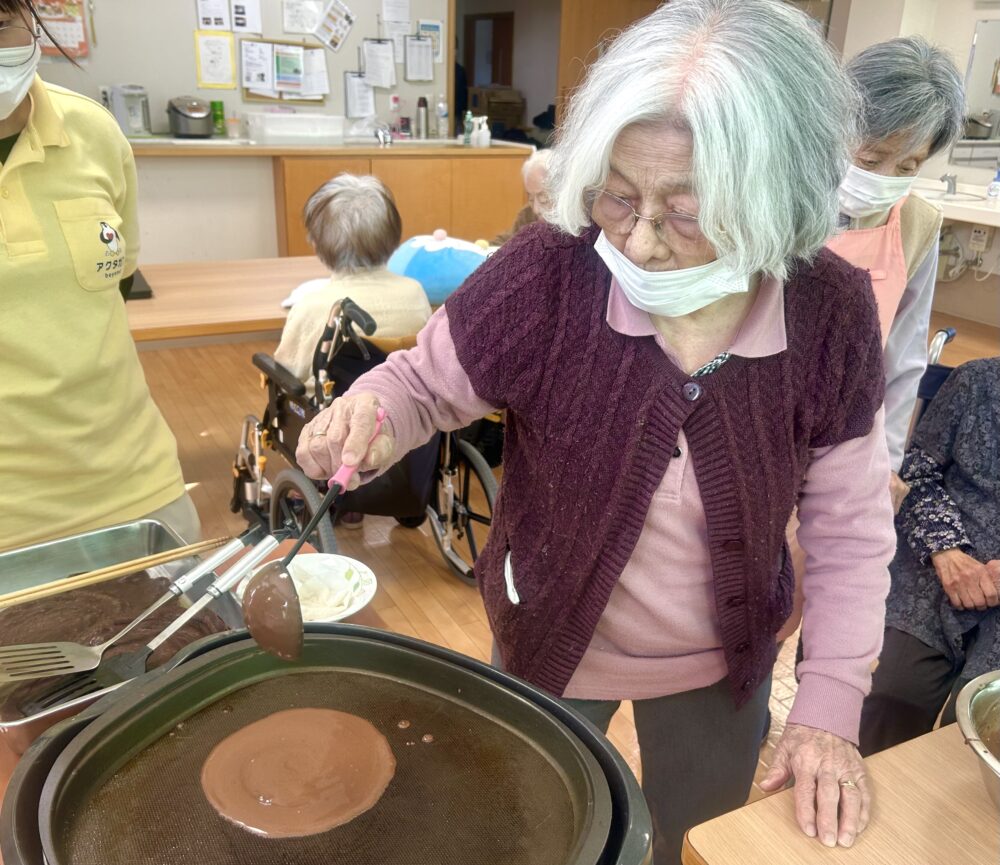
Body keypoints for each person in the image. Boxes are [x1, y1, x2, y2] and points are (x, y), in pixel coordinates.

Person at [298, 2, 894, 861]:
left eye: (685, 213)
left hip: (720, 666)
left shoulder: (829, 311)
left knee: (695, 840)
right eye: (620, 194)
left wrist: (830, 705)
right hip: (549, 638)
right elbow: (423, 383)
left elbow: (850, 527)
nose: (641, 241)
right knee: (525, 827)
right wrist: (375, 410)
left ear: (776, 203)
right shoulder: (551, 268)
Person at [776, 37, 965, 644]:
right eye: (873, 155)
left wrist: (883, 463)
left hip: (838, 435)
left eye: (908, 166)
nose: (887, 178)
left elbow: (903, 356)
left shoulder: (917, 222)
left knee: (804, 589)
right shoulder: (778, 194)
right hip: (752, 412)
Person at [0, 0, 199, 552]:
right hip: (9, 522)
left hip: (135, 484)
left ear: (32, 19)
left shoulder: (92, 131)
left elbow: (116, 282)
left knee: (187, 635)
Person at [860, 357, 1000, 756]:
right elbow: (916, 473)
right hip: (937, 569)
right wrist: (945, 550)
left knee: (975, 734)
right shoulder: (976, 380)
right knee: (891, 693)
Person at [273, 174, 431, 389]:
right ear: (394, 238)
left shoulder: (312, 306)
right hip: (401, 409)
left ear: (317, 244)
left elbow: (286, 373)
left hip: (330, 415)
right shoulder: (415, 292)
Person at [493, 148, 552, 244]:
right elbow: (505, 242)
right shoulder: (527, 214)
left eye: (543, 199)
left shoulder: (578, 225)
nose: (536, 210)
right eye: (531, 198)